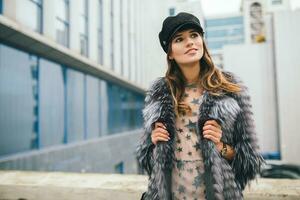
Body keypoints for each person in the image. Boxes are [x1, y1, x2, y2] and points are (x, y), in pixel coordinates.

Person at [136, 12, 264, 200]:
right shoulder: (160, 92)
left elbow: (250, 162)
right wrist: (155, 144)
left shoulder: (230, 88)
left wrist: (220, 145)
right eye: (179, 39)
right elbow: (146, 160)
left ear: (202, 40)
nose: (190, 42)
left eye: (194, 35)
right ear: (170, 53)